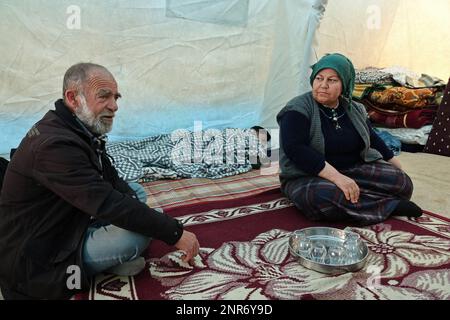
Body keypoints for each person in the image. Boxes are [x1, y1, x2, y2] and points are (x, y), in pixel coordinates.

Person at [0, 63, 200, 300]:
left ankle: (108, 259)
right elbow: (107, 203)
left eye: (116, 97)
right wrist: (174, 233)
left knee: (135, 192)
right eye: (104, 96)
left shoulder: (76, 128)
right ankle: (104, 261)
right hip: (38, 255)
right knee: (136, 236)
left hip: (65, 220)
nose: (114, 106)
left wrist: (141, 213)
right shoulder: (54, 146)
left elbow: (110, 179)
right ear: (73, 98)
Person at [277, 53, 422, 226]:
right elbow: (296, 149)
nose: (323, 85)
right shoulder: (297, 109)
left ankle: (359, 201)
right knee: (320, 198)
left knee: (402, 184)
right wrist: (337, 178)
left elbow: (372, 137)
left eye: (332, 80)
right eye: (319, 78)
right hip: (309, 176)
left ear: (344, 84)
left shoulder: (354, 108)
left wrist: (397, 167)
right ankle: (390, 206)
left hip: (352, 169)